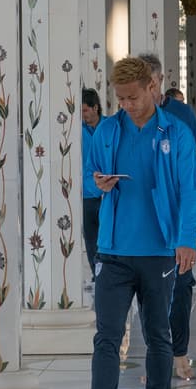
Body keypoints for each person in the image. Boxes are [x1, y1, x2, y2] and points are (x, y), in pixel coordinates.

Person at [77, 57, 196, 389]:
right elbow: (89, 172)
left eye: (133, 97)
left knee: (157, 335)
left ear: (152, 87)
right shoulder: (108, 130)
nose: (127, 105)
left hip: (159, 250)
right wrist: (99, 182)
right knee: (107, 336)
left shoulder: (175, 132)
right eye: (121, 99)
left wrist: (186, 240)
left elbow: (189, 189)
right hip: (114, 250)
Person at [137, 53, 196, 381]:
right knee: (150, 290)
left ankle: (179, 352)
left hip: (180, 219)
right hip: (144, 222)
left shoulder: (180, 114)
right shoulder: (128, 117)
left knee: (181, 286)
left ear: (158, 82)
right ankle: (157, 355)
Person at [80, 87, 103, 280]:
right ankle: (96, 272)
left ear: (95, 108)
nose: (83, 115)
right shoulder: (76, 131)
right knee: (90, 237)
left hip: (107, 191)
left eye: (85, 110)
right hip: (87, 193)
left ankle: (107, 270)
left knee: (107, 234)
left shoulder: (109, 127)